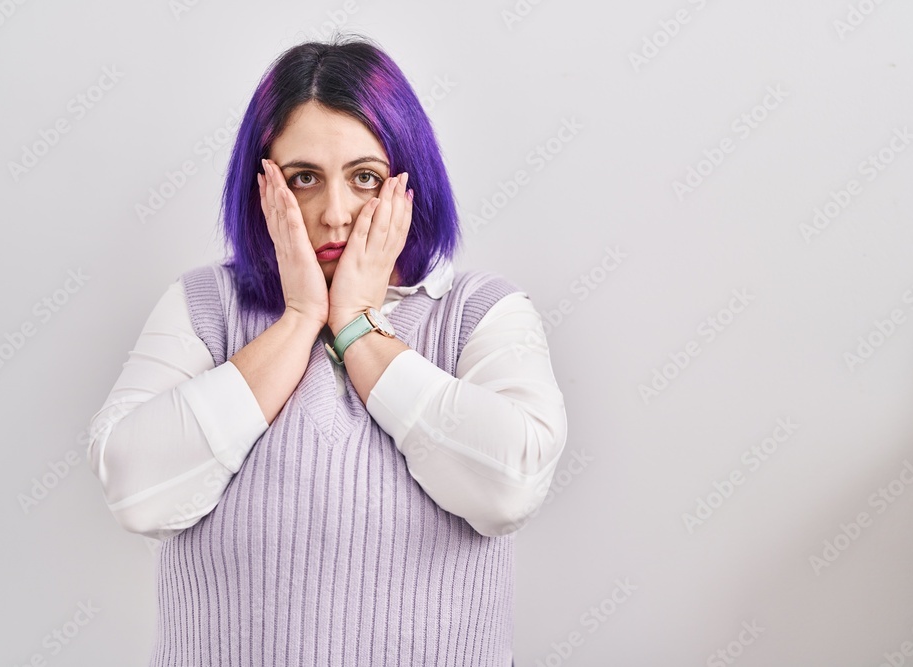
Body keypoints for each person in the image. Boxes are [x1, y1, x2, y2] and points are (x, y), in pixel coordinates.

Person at [87, 32, 567, 666]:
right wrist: (300, 319)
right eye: (304, 179)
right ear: (262, 189)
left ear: (411, 182)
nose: (335, 214)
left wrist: (358, 327)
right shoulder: (204, 306)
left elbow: (509, 489)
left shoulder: (480, 311)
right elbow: (134, 489)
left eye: (364, 178)